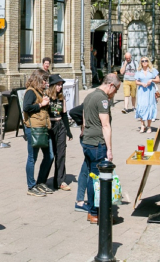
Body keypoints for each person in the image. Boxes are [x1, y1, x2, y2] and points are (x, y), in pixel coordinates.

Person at [82, 73, 120, 224]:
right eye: (116, 89)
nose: (115, 93)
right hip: (98, 143)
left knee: (92, 176)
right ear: (110, 85)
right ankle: (97, 213)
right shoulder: (102, 99)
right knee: (99, 179)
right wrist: (109, 149)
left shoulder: (89, 96)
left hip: (87, 141)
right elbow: (105, 125)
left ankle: (92, 212)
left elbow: (84, 121)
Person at [22, 69, 53, 197]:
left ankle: (40, 182)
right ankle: (31, 185)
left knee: (49, 156)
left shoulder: (41, 92)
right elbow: (26, 107)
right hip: (34, 129)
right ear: (38, 80)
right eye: (44, 80)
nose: (46, 83)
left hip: (44, 127)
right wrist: (41, 104)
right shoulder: (31, 91)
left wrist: (46, 103)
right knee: (32, 158)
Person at [45, 74, 73, 191]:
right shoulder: (46, 96)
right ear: (52, 85)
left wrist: (68, 131)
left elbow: (64, 115)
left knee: (61, 154)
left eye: (61, 85)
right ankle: (43, 181)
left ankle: (60, 180)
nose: (60, 87)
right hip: (49, 127)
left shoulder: (61, 97)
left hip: (60, 125)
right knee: (50, 155)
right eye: (58, 85)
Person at [68, 103, 90, 212]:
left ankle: (81, 200)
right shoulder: (94, 99)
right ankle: (82, 201)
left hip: (95, 140)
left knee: (86, 167)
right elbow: (72, 112)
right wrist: (83, 126)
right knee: (87, 168)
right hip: (90, 140)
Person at [135, 57, 160, 134]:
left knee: (149, 106)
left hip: (150, 91)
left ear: (148, 62)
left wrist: (151, 80)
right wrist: (141, 83)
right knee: (141, 106)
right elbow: (136, 81)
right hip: (142, 91)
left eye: (146, 61)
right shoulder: (139, 71)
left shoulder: (152, 70)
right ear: (141, 63)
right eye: (143, 61)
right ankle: (142, 125)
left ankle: (149, 126)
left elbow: (158, 80)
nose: (144, 62)